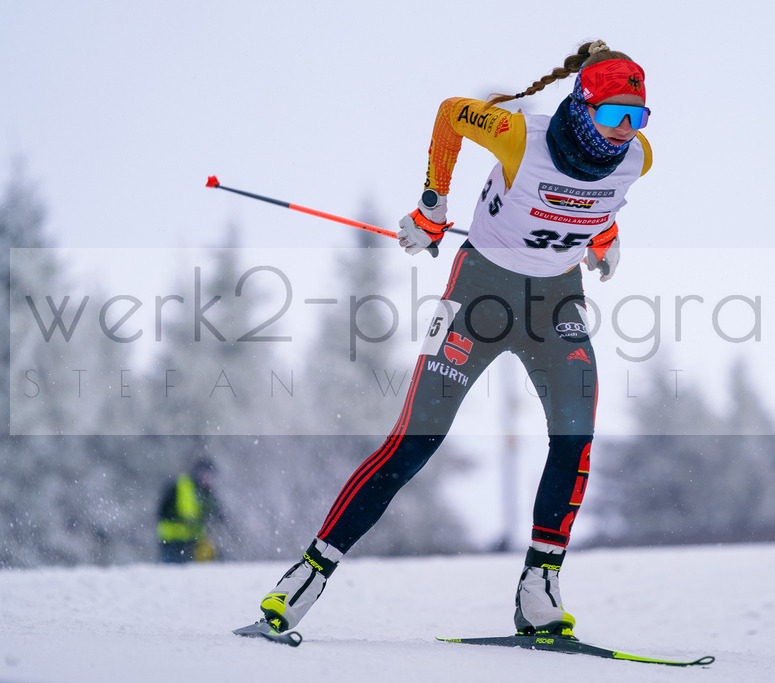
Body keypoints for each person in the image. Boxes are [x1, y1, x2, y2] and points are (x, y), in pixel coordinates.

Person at [238, 39, 652, 638]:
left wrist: (603, 238)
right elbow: (452, 113)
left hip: (557, 302)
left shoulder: (637, 157)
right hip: (479, 295)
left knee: (575, 439)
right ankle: (307, 574)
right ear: (583, 104)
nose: (625, 130)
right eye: (614, 113)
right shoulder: (520, 136)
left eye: (638, 116)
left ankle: (540, 586)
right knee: (415, 443)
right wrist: (432, 207)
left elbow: (602, 198)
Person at [157, 456, 221, 563]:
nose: (207, 479)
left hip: (192, 542)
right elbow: (163, 511)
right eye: (205, 474)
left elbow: (215, 513)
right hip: (172, 541)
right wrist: (179, 520)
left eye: (210, 475)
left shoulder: (206, 493)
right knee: (173, 569)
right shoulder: (181, 486)